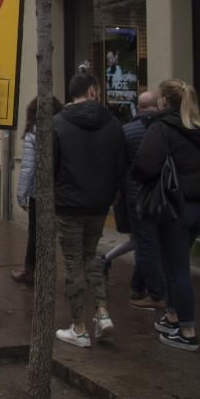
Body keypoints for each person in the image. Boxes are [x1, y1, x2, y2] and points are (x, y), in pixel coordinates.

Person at [134, 80, 200, 352]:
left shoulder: (162, 128)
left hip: (173, 207)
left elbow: (145, 166)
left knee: (177, 270)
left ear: (163, 102)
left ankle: (187, 330)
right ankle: (172, 317)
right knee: (174, 264)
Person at [52, 74, 126, 348]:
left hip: (69, 204)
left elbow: (51, 165)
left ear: (72, 94)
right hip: (99, 204)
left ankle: (79, 327)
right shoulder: (113, 123)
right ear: (93, 91)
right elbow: (121, 164)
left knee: (73, 262)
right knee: (91, 255)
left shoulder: (58, 123)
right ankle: (103, 312)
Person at [111, 91, 167, 309]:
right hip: (163, 195)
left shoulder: (126, 131)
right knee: (151, 243)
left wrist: (117, 192)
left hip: (136, 196)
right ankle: (137, 287)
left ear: (139, 107)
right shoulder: (166, 130)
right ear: (158, 106)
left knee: (145, 243)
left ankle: (155, 293)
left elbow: (119, 166)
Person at [12, 96, 64, 286]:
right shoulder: (63, 129)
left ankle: (30, 271)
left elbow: (28, 167)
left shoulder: (33, 133)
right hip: (63, 189)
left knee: (35, 231)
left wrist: (21, 194)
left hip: (39, 191)